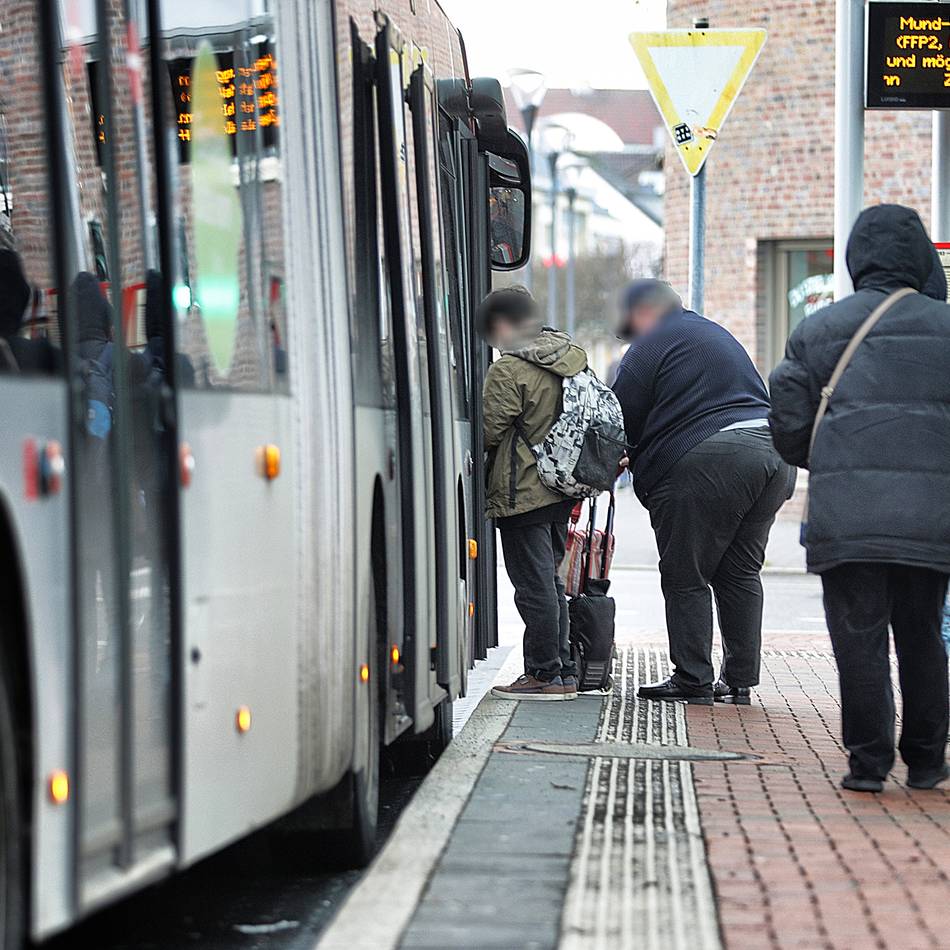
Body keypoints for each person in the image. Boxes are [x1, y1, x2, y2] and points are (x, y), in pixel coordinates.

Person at [769, 204, 950, 793]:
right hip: (932, 519)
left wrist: (831, 460)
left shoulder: (819, 329)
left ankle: (868, 765)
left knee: (859, 637)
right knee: (922, 634)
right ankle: (926, 761)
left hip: (847, 519)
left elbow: (789, 420)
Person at [612, 279, 794, 706]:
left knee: (685, 573)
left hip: (711, 459)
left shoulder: (650, 342)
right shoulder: (714, 333)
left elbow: (617, 416)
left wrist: (611, 460)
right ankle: (739, 679)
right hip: (772, 455)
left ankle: (692, 678)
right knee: (739, 572)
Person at [478, 286, 587, 701]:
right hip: (561, 488)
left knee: (534, 586)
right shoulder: (567, 358)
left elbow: (487, 430)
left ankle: (543, 673)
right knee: (551, 583)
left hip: (521, 490)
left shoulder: (510, 369)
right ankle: (562, 672)